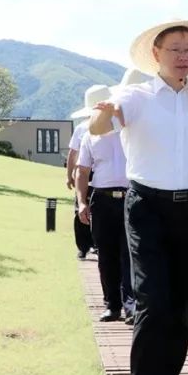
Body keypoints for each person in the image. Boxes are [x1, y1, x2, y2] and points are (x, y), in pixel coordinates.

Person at [90, 19, 188, 375]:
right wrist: (105, 114)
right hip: (146, 205)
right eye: (175, 50)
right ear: (156, 55)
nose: (183, 57)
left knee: (180, 302)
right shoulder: (135, 96)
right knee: (151, 297)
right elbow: (100, 129)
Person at [76, 83, 134, 322]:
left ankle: (132, 305)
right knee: (106, 254)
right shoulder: (89, 136)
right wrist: (81, 202)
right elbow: (82, 171)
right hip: (102, 198)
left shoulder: (129, 129)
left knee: (129, 253)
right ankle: (112, 304)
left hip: (131, 197)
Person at [67, 89, 97, 260]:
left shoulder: (81, 128)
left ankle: (88, 246)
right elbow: (73, 153)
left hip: (92, 173)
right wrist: (69, 174)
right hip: (89, 172)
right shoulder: (81, 129)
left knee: (85, 209)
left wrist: (69, 174)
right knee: (84, 208)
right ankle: (88, 246)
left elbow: (72, 153)